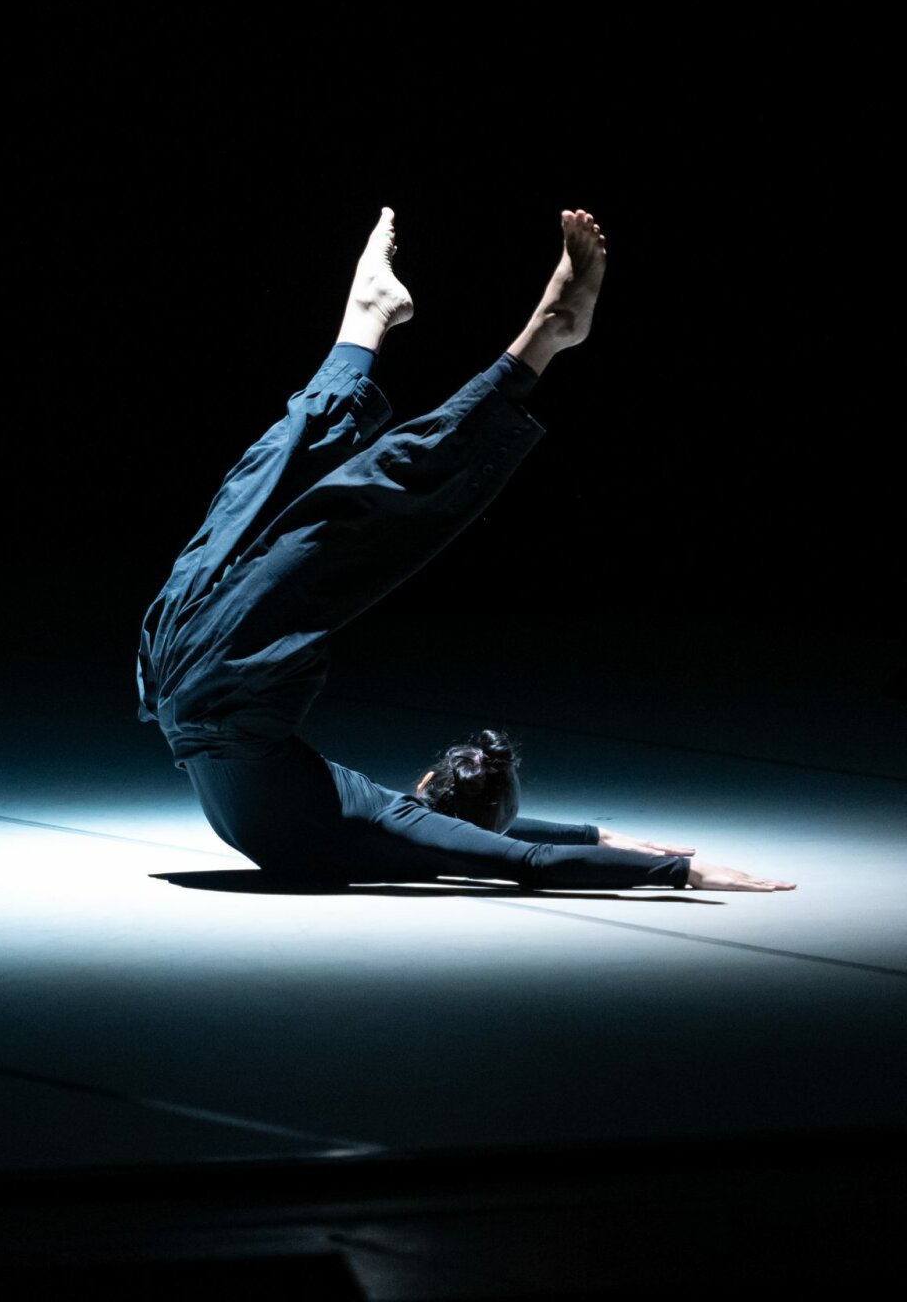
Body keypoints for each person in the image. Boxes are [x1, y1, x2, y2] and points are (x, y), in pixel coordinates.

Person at [136, 209, 795, 893]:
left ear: (430, 783)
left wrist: (675, 867)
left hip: (209, 683)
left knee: (323, 502)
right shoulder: (392, 825)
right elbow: (518, 849)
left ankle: (522, 336)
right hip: (185, 683)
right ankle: (386, 317)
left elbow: (522, 857)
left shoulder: (397, 821)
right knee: (279, 493)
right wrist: (618, 843)